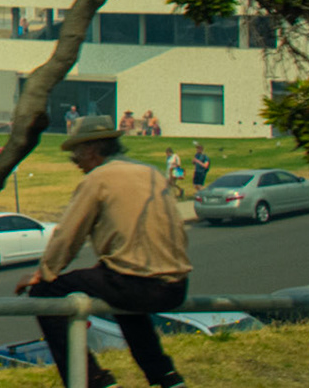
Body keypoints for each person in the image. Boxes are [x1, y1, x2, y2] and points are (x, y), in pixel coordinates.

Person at [19, 115, 189, 388]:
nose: (75, 163)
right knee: (119, 294)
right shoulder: (151, 173)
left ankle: (92, 381)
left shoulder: (98, 179)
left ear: (92, 150)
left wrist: (44, 272)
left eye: (76, 155)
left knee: (45, 294)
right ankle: (165, 376)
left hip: (136, 284)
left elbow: (69, 235)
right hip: (176, 286)